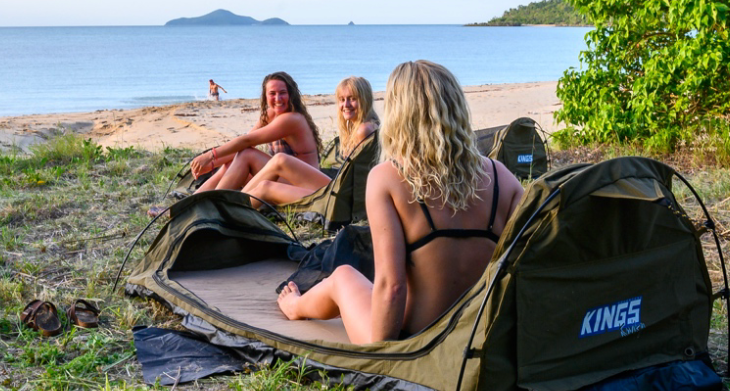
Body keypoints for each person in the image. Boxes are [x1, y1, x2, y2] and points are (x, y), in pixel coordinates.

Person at [277, 60, 524, 344]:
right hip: (476, 335)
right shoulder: (501, 176)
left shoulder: (388, 178)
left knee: (343, 276)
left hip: (413, 339)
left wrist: (387, 357)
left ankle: (295, 306)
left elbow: (392, 286)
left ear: (398, 112)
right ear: (456, 107)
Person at [241, 76, 379, 208]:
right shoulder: (369, 125)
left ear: (364, 99)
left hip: (341, 202)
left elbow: (355, 181)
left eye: (352, 99)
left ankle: (230, 211)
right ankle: (231, 206)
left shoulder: (364, 130)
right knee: (269, 177)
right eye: (342, 100)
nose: (345, 105)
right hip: (344, 195)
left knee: (270, 179)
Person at [190, 71, 323, 193]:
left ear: (290, 94)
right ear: (265, 96)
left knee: (247, 155)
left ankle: (215, 205)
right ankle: (195, 202)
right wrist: (213, 164)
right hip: (284, 175)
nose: (278, 98)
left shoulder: (291, 119)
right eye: (272, 93)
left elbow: (247, 141)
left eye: (282, 92)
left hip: (304, 183)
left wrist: (210, 156)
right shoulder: (270, 114)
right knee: (231, 164)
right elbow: (246, 144)